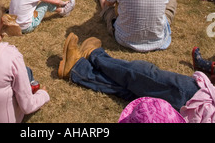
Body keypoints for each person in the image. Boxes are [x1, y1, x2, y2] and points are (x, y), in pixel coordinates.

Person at [57, 32, 215, 123]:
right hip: (200, 113)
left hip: (200, 102)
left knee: (145, 75)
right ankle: (78, 69)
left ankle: (95, 56)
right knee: (138, 95)